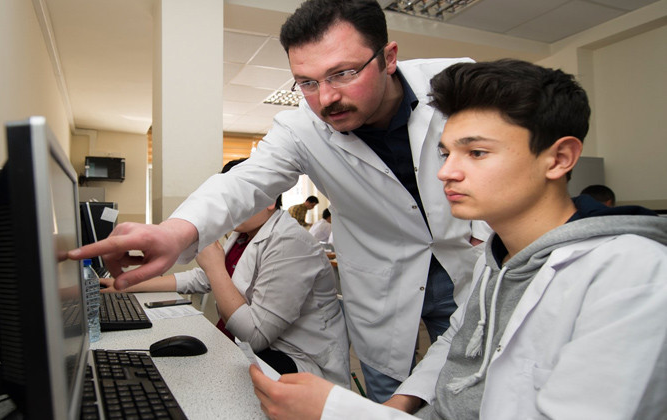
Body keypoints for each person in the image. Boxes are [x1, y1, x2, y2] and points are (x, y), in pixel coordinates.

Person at [69, 0, 488, 401]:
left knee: (474, 388)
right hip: (382, 284)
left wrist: (487, 231)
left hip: (465, 266)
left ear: (389, 57)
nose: (326, 98)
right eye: (307, 82)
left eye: (342, 73)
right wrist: (174, 232)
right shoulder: (300, 128)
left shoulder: (458, 83)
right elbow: (242, 182)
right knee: (388, 398)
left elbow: (510, 155)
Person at [249, 59, 667, 419]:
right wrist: (395, 406)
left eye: (476, 152)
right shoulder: (500, 258)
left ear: (559, 158)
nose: (446, 172)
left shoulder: (631, 274)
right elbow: (458, 343)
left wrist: (340, 412)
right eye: (446, 153)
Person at [104, 158, 350, 387]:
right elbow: (201, 278)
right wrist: (127, 284)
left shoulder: (290, 242)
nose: (229, 208)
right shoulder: (243, 234)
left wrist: (214, 266)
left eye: (238, 197)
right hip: (251, 346)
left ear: (268, 199)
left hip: (295, 360)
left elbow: (255, 336)